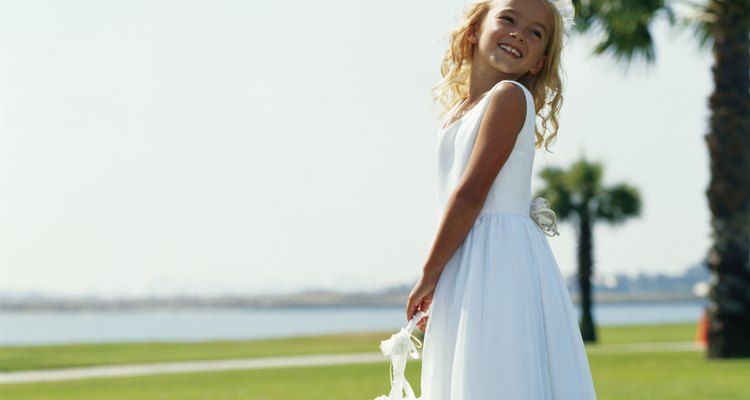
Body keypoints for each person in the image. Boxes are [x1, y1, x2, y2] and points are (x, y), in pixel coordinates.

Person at [404, 0, 598, 398]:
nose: (518, 33)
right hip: (468, 254)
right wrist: (445, 271)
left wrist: (428, 273)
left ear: (538, 63)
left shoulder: (508, 96)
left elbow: (471, 192)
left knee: (495, 373)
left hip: (498, 259)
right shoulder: (458, 112)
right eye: (508, 18)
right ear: (474, 30)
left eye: (535, 33)